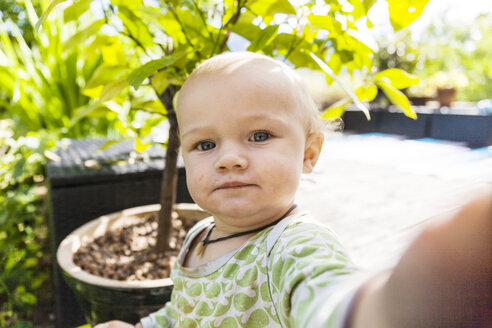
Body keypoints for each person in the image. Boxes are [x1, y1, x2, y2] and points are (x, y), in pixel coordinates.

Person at [95, 52, 491, 328]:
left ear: (309, 153)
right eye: (205, 144)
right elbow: (184, 310)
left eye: (259, 135)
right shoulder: (200, 234)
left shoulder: (293, 248)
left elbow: (326, 298)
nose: (228, 159)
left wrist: (392, 308)